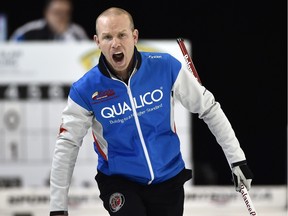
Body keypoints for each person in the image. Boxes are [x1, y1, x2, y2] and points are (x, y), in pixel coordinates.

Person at [49, 7, 254, 216]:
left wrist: (237, 159)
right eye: (107, 37)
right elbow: (68, 144)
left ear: (134, 36)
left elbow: (209, 109)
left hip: (168, 179)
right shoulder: (85, 89)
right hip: (120, 181)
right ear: (97, 42)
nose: (115, 43)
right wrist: (58, 206)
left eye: (122, 35)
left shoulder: (164, 67)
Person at [10, 0, 89, 41]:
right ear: (46, 12)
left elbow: (82, 54)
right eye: (57, 13)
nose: (61, 17)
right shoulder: (29, 30)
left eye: (66, 13)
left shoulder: (77, 32)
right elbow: (11, 48)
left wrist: (64, 33)